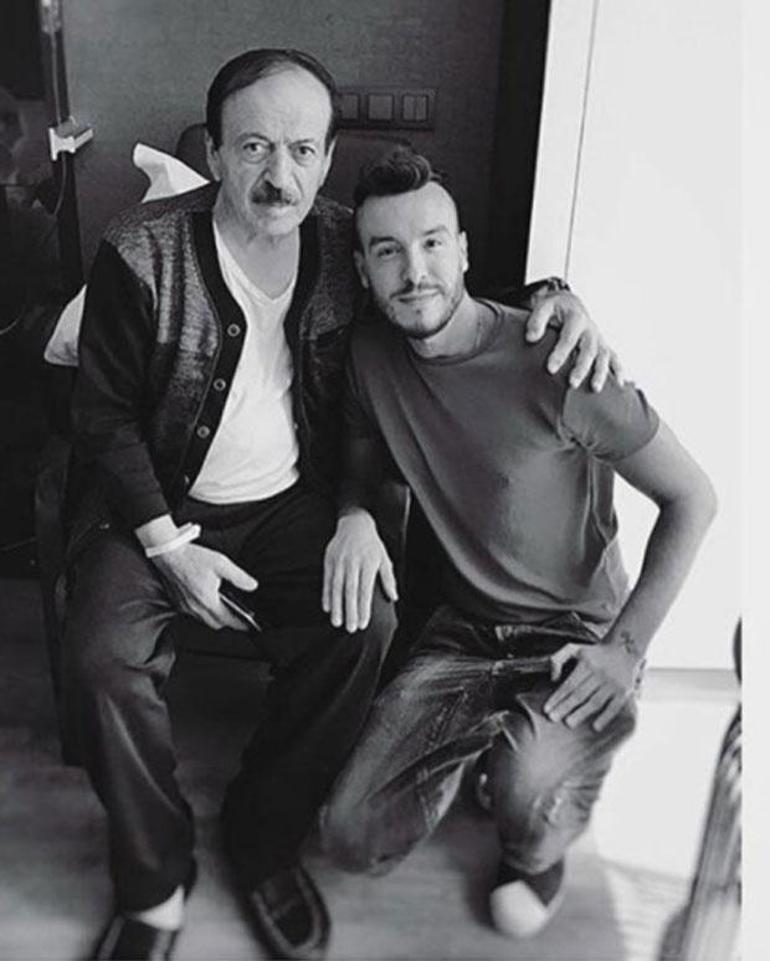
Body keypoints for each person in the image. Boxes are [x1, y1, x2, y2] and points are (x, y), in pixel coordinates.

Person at [64, 49, 614, 961]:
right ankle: (153, 876)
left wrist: (557, 298)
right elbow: (103, 414)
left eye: (301, 150)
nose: (277, 175)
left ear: (325, 159)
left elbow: (440, 294)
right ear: (214, 150)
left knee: (362, 624)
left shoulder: (343, 246)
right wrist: (166, 545)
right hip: (153, 509)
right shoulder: (139, 248)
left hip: (289, 507)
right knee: (98, 657)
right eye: (253, 146)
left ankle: (263, 837)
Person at [319, 149, 717, 939]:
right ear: (362, 269)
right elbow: (363, 467)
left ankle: (538, 839)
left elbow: (693, 497)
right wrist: (355, 513)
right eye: (388, 251)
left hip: (573, 634)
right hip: (462, 631)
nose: (415, 271)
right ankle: (485, 751)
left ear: (464, 250)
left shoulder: (560, 359)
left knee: (527, 804)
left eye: (433, 243)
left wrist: (624, 650)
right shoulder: (369, 355)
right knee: (349, 837)